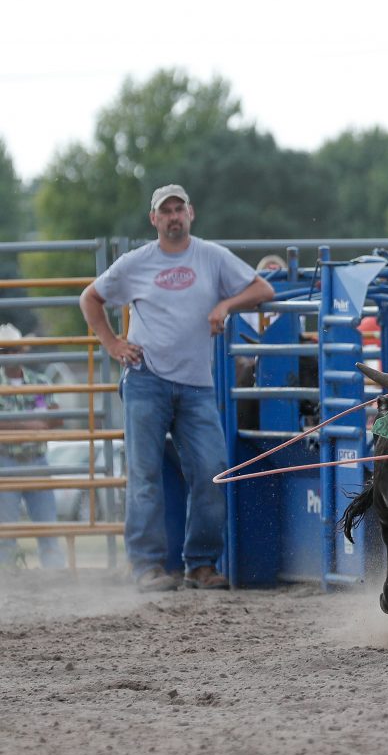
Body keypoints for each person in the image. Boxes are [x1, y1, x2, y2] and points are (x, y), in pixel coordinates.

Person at [79, 184, 275, 592]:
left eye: (178, 209)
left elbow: (263, 289)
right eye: (165, 211)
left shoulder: (212, 256)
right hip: (145, 378)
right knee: (145, 474)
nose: (173, 216)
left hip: (196, 384)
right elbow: (90, 298)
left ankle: (200, 563)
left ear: (191, 213)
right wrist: (113, 344)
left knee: (211, 470)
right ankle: (147, 565)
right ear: (154, 219)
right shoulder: (136, 262)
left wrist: (225, 305)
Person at [0, 324, 67, 569]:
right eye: (5, 351)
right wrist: (31, 424)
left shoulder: (40, 380)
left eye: (13, 350)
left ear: (22, 351)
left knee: (47, 526)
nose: (10, 355)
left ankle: (54, 573)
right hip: (6, 460)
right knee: (6, 530)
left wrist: (16, 424)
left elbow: (57, 416)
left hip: (35, 460)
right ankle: (6, 574)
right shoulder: (39, 381)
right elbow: (52, 415)